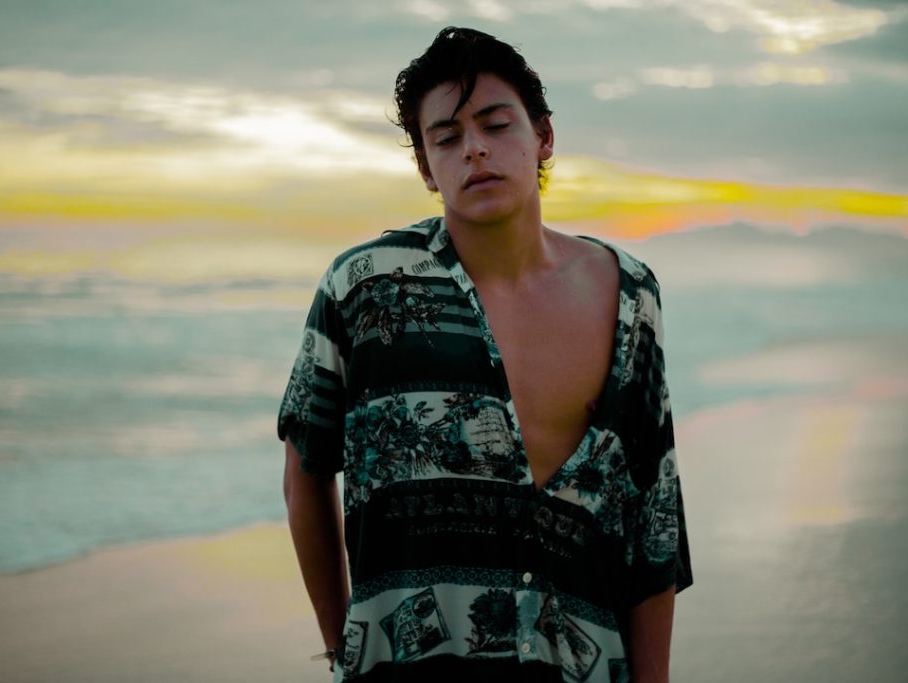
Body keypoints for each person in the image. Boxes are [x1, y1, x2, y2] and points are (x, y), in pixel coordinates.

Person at [278, 26, 692, 683]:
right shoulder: (367, 289)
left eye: (496, 125)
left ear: (543, 137)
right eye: (446, 137)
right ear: (425, 166)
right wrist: (344, 649)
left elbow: (654, 521)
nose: (474, 149)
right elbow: (305, 467)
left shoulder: (629, 295)